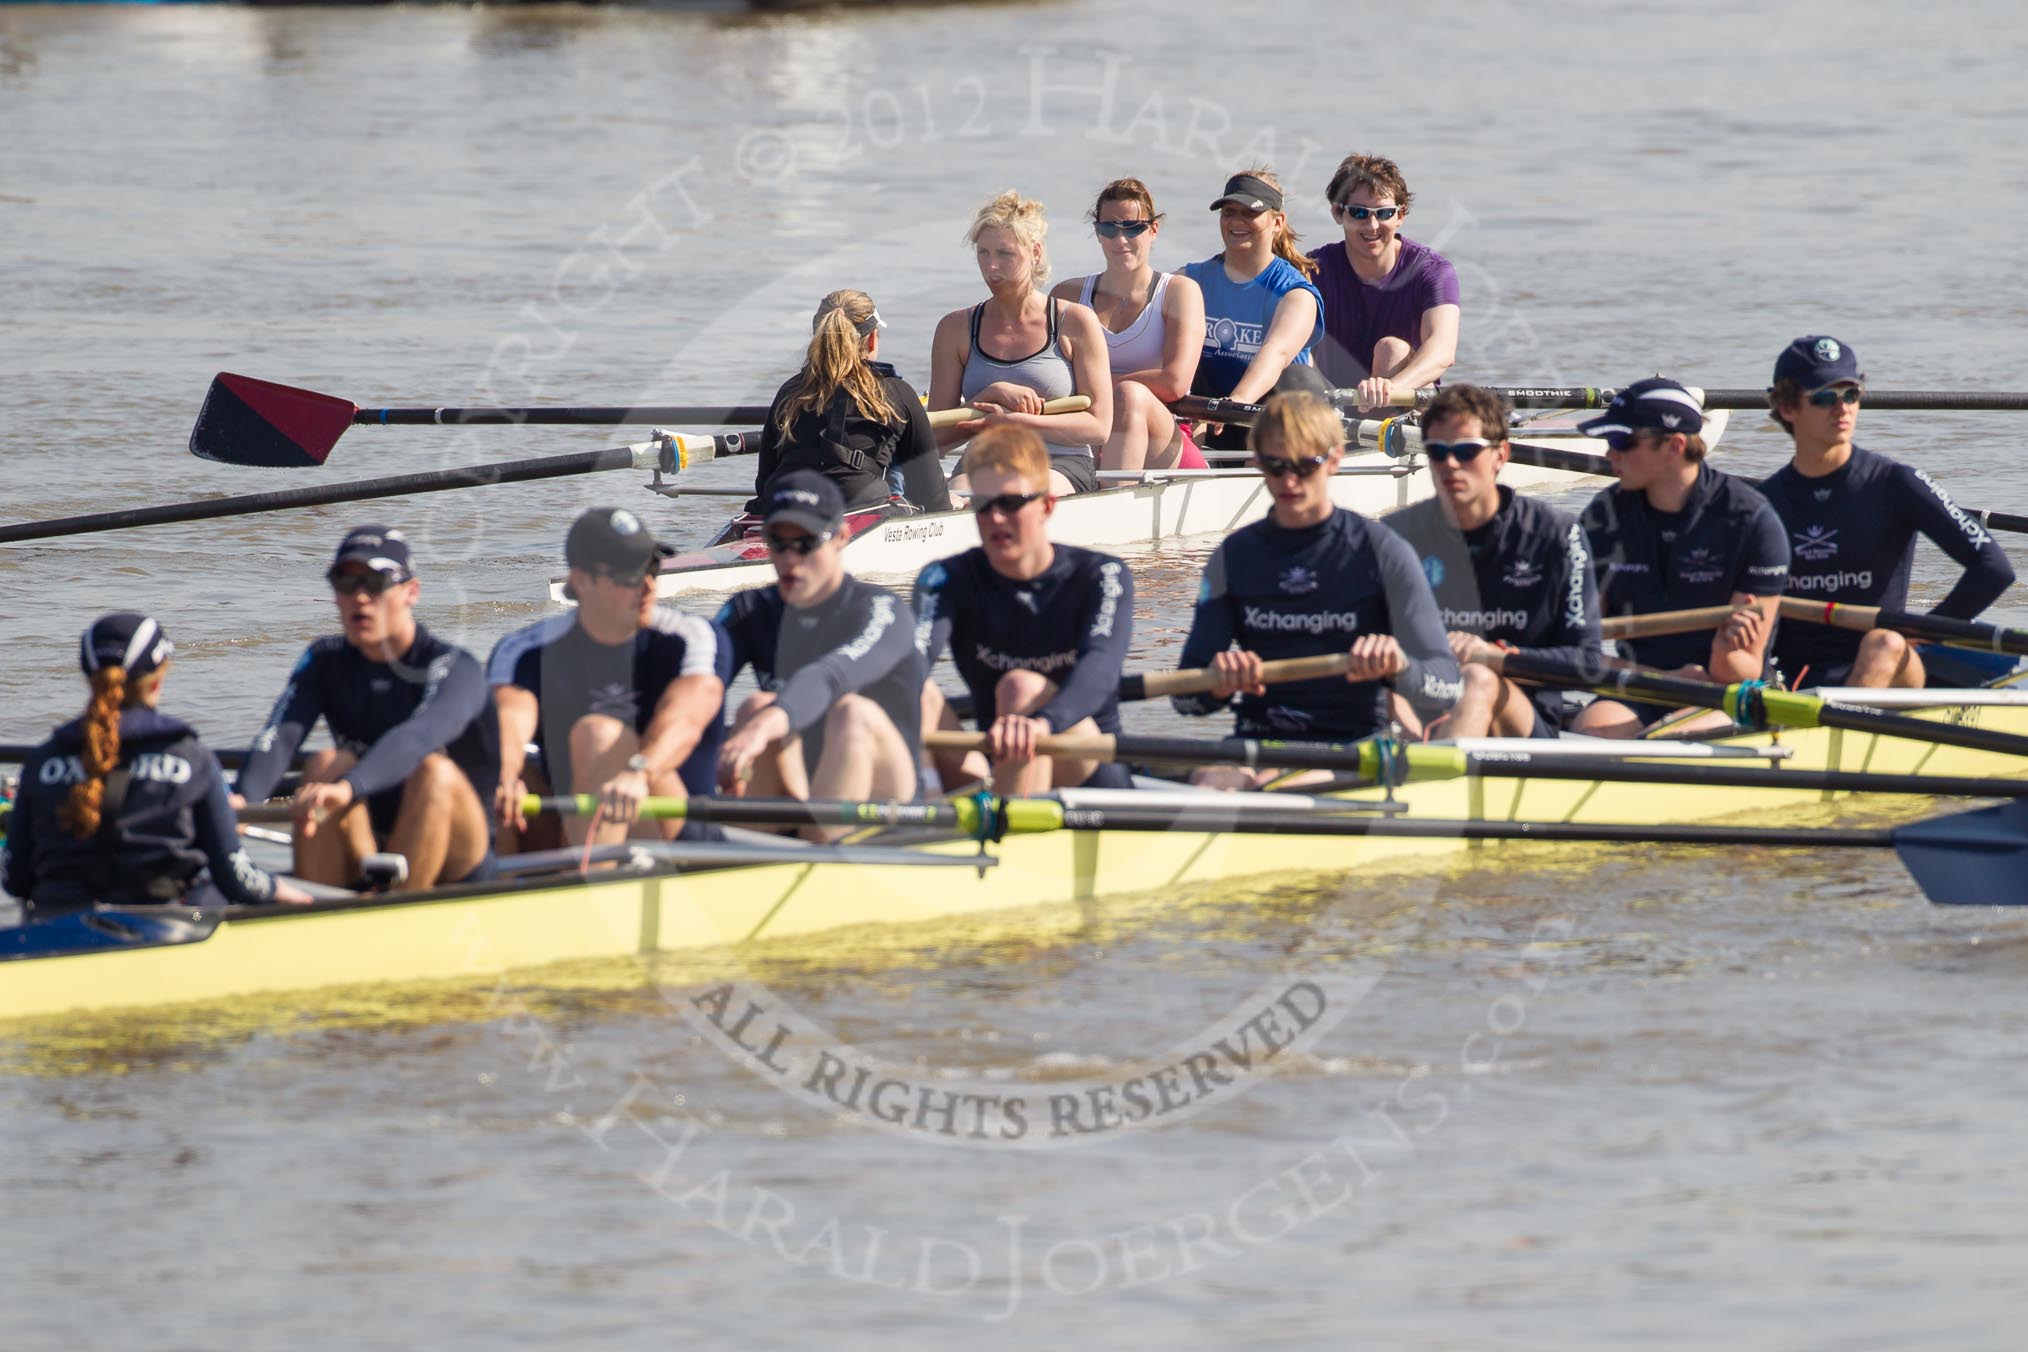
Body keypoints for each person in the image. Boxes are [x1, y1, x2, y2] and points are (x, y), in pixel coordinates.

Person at [1173, 391, 1460, 788]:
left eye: (1305, 465)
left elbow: (1447, 682)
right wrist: (1215, 684)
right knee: (1212, 784)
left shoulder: (1382, 551)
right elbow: (1184, 697)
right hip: (1260, 742)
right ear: (1256, 462)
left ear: (1334, 460)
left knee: (1279, 789)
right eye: (1275, 465)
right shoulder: (1235, 557)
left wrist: (1401, 667)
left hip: (1355, 745)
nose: (1289, 480)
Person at [236, 526, 499, 890]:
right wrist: (242, 800)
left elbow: (416, 737)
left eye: (375, 584)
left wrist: (349, 788)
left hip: (460, 853)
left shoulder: (454, 667)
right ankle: (318, 917)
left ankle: (398, 914)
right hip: (368, 838)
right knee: (327, 763)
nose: (360, 598)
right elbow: (280, 736)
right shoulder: (324, 660)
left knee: (434, 772)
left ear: (412, 592)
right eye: (346, 583)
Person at [4, 613, 311, 916]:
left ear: (89, 677)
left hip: (54, 928)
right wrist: (285, 892)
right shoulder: (192, 758)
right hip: (160, 931)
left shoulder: (42, 760)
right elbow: (235, 878)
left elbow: (15, 879)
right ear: (158, 679)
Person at [1756, 335, 2014, 688]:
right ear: (1787, 408)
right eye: (1824, 397)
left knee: (1884, 641)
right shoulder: (1764, 502)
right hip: (1798, 675)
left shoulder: (1896, 483)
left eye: (1851, 394)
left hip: (1893, 668)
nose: (1842, 408)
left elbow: (1994, 568)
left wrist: (1921, 631)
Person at [913, 425, 1135, 796]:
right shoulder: (944, 577)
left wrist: (1044, 725)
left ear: (1047, 506)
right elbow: (913, 657)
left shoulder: (1102, 575)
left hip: (1088, 768)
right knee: (906, 687)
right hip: (1000, 760)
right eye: (984, 505)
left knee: (1021, 686)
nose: (996, 518)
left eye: (1011, 503)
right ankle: (917, 827)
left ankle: (997, 838)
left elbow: (1101, 669)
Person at [488, 507, 729, 849]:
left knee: (598, 735)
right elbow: (508, 719)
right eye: (628, 575)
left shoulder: (691, 636)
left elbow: (687, 719)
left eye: (652, 569)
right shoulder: (525, 650)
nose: (647, 587)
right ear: (581, 580)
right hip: (568, 825)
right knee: (484, 769)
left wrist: (639, 773)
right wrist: (503, 773)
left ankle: (577, 888)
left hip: (677, 830)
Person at [1385, 385, 1603, 738]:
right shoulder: (1395, 536)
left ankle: (1429, 783)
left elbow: (1589, 664)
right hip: (1419, 713)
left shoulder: (1558, 537)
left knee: (1478, 679)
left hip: (1519, 720)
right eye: (1437, 452)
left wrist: (1496, 656)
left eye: (1467, 451)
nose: (1451, 464)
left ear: (1501, 455)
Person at [1575, 380, 1790, 736]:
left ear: (1674, 446)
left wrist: (1725, 652)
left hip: (1730, 690)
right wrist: (1665, 679)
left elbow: (1743, 667)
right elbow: (1579, 651)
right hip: (1642, 684)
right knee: (1591, 730)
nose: (1609, 454)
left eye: (1621, 442)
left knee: (1668, 734)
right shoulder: (1603, 517)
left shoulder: (1752, 522)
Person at [716, 471, 927, 831]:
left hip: (890, 803)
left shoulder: (883, 611)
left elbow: (827, 678)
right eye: (778, 543)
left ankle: (820, 858)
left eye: (807, 542)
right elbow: (693, 682)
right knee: (754, 707)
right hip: (803, 784)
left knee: (851, 713)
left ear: (842, 537)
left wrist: (762, 728)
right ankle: (748, 858)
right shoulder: (749, 611)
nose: (791, 559)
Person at [930, 191, 1114, 498]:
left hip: (1059, 461)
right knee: (950, 503)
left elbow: (1098, 427)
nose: (991, 267)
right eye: (983, 253)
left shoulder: (1076, 322)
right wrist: (986, 397)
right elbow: (936, 439)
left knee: (1016, 497)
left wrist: (1017, 421)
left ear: (1035, 253)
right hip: (985, 459)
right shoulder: (954, 328)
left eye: (1005, 254)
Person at [747, 289, 951, 519]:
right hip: (860, 508)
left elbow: (764, 481)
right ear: (872, 339)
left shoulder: (789, 391)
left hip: (782, 508)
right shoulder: (896, 392)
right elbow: (932, 497)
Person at [1049, 178, 1207, 471]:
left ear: (1153, 231)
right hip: (1088, 433)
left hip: (1164, 440)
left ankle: (1112, 497)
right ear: (1098, 233)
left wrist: (1092, 387)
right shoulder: (1066, 296)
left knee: (1130, 394)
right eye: (1109, 229)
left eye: (1133, 228)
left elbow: (1174, 383)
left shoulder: (1179, 292)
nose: (1120, 239)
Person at [1181, 166, 1328, 453]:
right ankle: (1189, 464)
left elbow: (1276, 354)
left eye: (1250, 213)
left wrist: (1235, 402)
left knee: (1299, 379)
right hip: (1210, 417)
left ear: (1277, 222)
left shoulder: (1295, 294)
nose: (1236, 221)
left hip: (1271, 419)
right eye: (1229, 212)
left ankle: (1268, 471)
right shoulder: (1189, 281)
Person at [1306, 153, 1460, 413]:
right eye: (1359, 213)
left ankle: (1383, 437)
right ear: (1337, 213)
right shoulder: (1313, 270)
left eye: (1384, 213)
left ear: (1400, 215)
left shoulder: (1433, 271)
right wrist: (1328, 397)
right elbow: (1296, 349)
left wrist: (1390, 389)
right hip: (1335, 402)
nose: (1373, 225)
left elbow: (1442, 351)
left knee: (1391, 349)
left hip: (1406, 399)